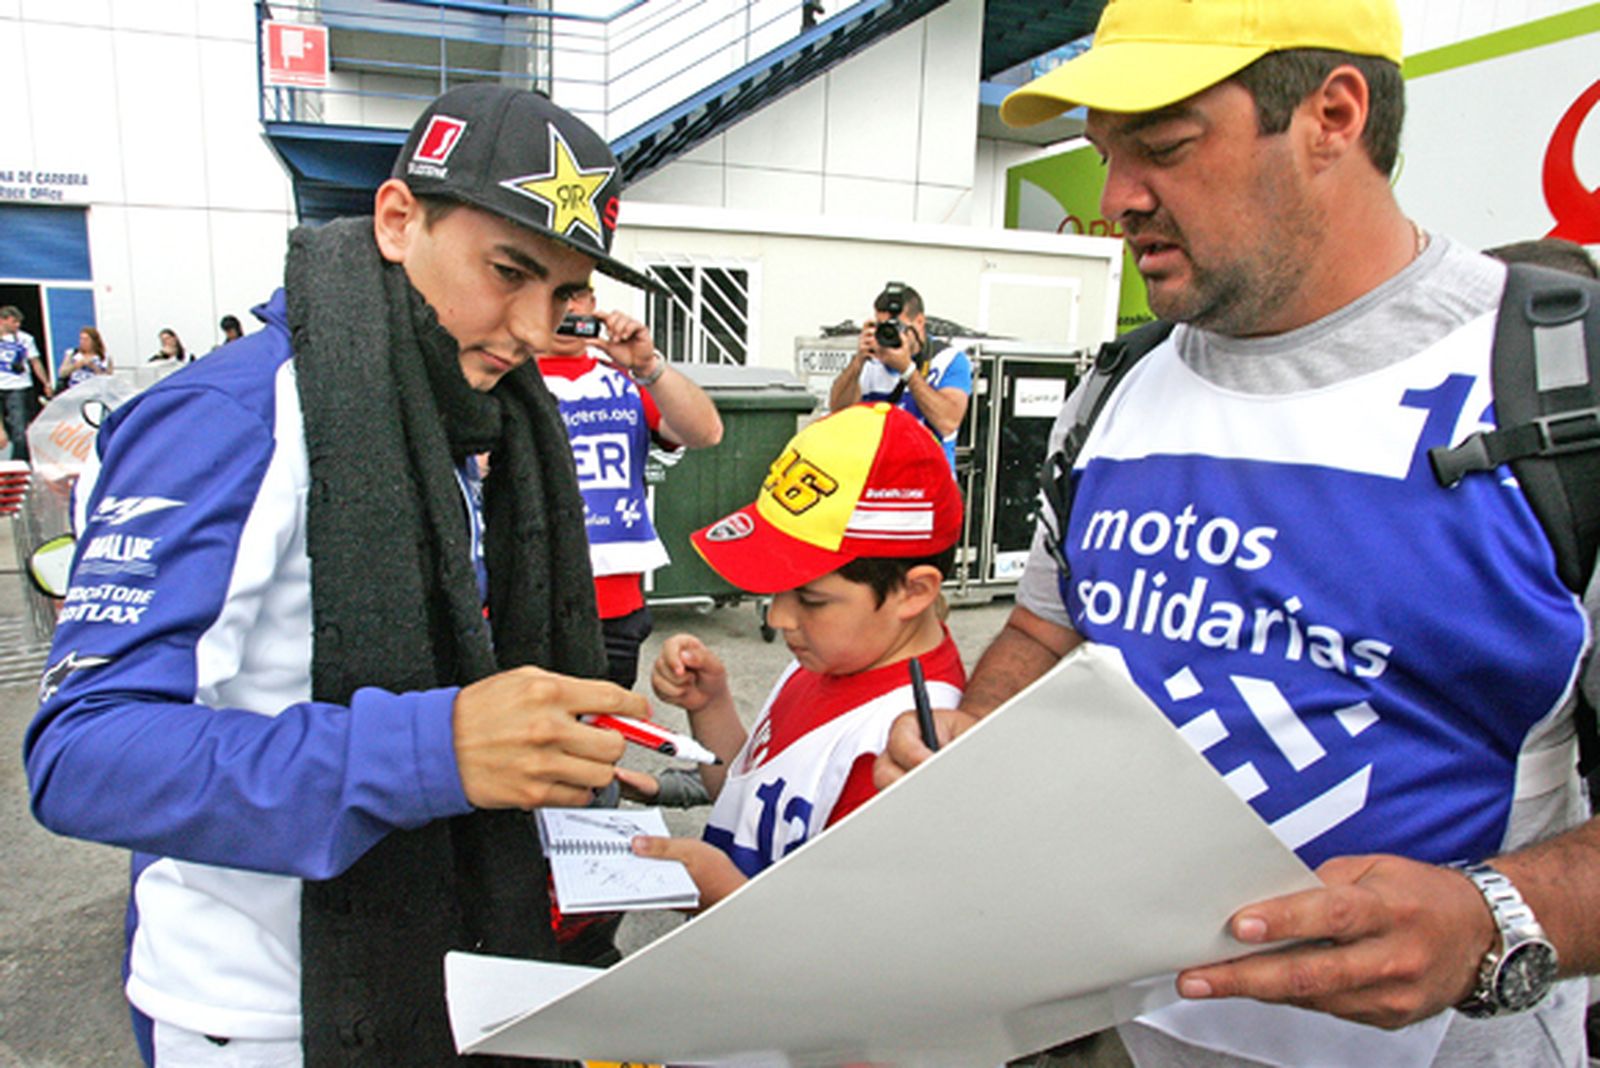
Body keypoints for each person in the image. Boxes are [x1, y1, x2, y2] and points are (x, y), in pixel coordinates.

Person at [874, 2, 1599, 1066]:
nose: (1116, 201)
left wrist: (1487, 923)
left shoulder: (1553, 389)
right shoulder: (1114, 390)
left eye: (1162, 148)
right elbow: (1046, 634)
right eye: (1104, 155)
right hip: (1103, 1030)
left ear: (1332, 116)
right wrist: (971, 755)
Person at [24, 84, 666, 1067]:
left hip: (455, 981)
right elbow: (82, 752)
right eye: (510, 271)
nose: (538, 329)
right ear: (398, 218)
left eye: (565, 293)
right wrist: (432, 750)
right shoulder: (231, 417)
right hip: (266, 1014)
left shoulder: (448, 410)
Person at [626, 402, 967, 908]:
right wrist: (710, 705)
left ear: (914, 592)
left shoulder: (908, 745)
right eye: (777, 591)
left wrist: (721, 897)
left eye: (810, 599)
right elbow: (748, 799)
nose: (779, 618)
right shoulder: (837, 655)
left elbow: (842, 953)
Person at [537, 285, 723, 689]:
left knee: (599, 744)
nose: (568, 308)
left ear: (591, 304)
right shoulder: (498, 374)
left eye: (576, 295)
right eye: (554, 293)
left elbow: (706, 432)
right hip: (522, 600)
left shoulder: (626, 380)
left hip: (615, 606)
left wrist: (648, 366)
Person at [827, 282, 972, 471]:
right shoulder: (872, 360)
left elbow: (948, 422)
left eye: (896, 327)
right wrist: (858, 362)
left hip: (930, 480)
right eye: (881, 326)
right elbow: (839, 414)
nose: (889, 333)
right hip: (880, 479)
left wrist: (908, 371)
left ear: (919, 322)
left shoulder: (949, 360)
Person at [0, 304, 52, 460]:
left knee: (20, 431)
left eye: (18, 322)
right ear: (2, 321)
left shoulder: (25, 339)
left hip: (18, 386)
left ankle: (18, 464)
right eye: (14, 322)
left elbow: (35, 362)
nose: (17, 325)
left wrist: (46, 383)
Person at [56, 326, 113, 391]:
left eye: (86, 339)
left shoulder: (105, 357)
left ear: (94, 341)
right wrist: (77, 365)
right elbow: (62, 373)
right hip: (75, 390)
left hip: (95, 390)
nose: (83, 342)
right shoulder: (72, 353)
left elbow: (108, 379)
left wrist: (94, 367)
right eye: (81, 339)